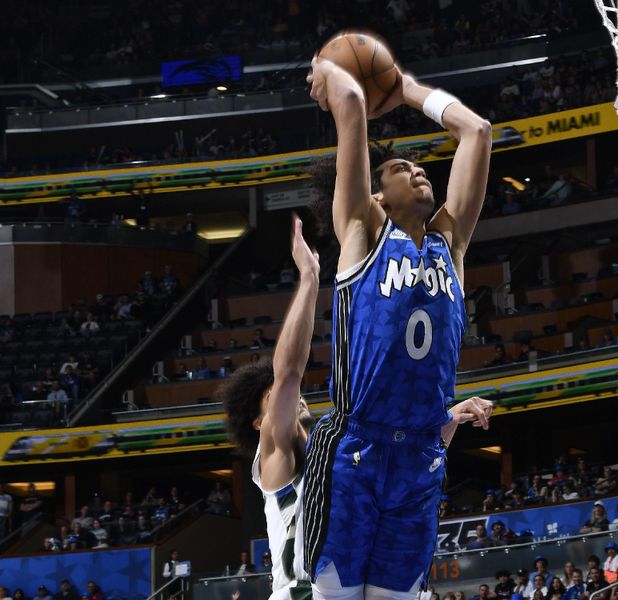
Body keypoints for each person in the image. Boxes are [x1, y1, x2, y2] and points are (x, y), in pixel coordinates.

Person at [220, 217, 493, 599]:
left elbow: (408, 450)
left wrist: (449, 417)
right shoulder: (278, 457)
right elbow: (288, 373)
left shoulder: (339, 449)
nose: (294, 396)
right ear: (258, 421)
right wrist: (310, 279)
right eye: (273, 398)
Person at [304, 47, 492, 598]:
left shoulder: (449, 244)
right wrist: (332, 72)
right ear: (378, 194)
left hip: (420, 456)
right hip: (353, 451)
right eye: (399, 168)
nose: (417, 168)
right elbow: (352, 106)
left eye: (418, 164)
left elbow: (476, 132)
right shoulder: (363, 232)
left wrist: (405, 87)